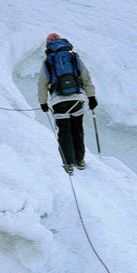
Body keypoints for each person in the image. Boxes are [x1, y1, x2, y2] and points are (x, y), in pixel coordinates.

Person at [38, 33, 98, 175]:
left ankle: (68, 163)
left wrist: (43, 102)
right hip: (77, 99)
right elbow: (85, 77)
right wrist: (91, 97)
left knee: (64, 132)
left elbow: (42, 83)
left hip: (59, 101)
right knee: (77, 130)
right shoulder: (73, 57)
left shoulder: (48, 61)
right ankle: (80, 161)